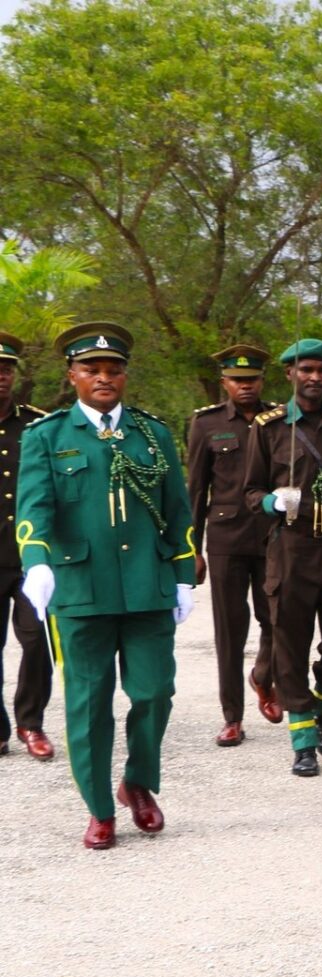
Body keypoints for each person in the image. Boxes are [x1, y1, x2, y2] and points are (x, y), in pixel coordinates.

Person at [18, 322, 196, 850]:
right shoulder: (47, 436)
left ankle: (137, 781)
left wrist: (183, 575)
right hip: (80, 589)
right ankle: (99, 808)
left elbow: (177, 509)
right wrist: (38, 563)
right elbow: (32, 508)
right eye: (91, 369)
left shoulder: (153, 434)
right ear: (71, 375)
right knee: (89, 702)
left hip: (147, 585)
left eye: (113, 369)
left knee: (154, 692)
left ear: (124, 375)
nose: (103, 377)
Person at [244, 338, 322, 778]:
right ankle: (303, 741)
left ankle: (321, 709)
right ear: (290, 374)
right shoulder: (270, 427)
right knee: (289, 645)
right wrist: (272, 502)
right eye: (306, 370)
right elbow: (249, 492)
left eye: (321, 370)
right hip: (290, 547)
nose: (315, 378)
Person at [187, 343, 280, 746]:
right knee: (229, 630)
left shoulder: (280, 420)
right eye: (237, 380)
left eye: (252, 379)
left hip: (274, 536)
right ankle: (233, 717)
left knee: (278, 617)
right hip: (226, 538)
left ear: (262, 380)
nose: (245, 386)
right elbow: (195, 490)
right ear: (224, 383)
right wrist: (192, 548)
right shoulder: (205, 424)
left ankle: (263, 675)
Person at [0, 332, 53, 760]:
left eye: (6, 369)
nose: (1, 377)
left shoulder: (36, 425)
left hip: (29, 555)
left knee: (37, 641)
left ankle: (30, 724)